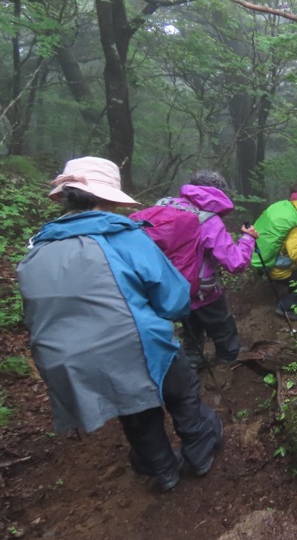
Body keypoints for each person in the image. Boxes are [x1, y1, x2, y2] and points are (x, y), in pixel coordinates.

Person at [16, 156, 222, 492]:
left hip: (69, 361)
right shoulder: (123, 237)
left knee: (133, 406)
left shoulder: (36, 250)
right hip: (135, 344)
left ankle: (163, 470)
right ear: (110, 199)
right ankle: (201, 452)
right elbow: (173, 299)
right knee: (180, 390)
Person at [170, 170, 258, 369]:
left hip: (174, 285)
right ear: (218, 193)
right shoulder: (208, 220)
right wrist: (248, 238)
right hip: (203, 289)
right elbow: (235, 263)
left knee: (190, 326)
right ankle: (228, 360)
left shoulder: (171, 208)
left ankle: (194, 361)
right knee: (221, 323)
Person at [252, 197, 297, 320]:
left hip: (272, 264)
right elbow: (295, 254)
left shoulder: (290, 214)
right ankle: (284, 306)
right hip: (280, 271)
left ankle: (292, 297)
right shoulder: (295, 227)